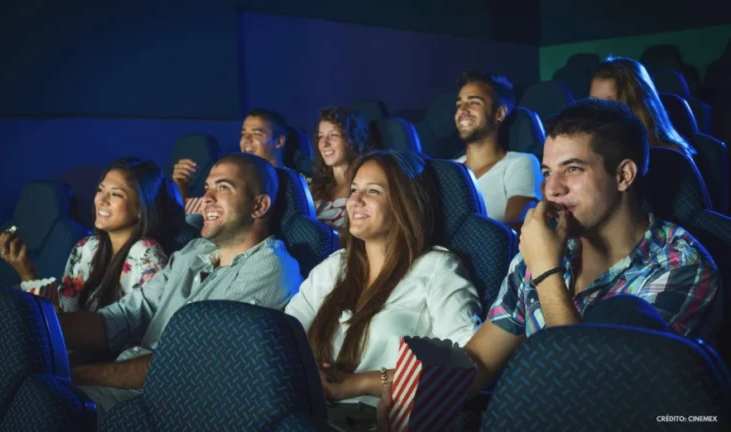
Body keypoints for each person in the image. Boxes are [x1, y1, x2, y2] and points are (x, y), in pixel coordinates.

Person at [377, 98, 719, 430]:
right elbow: (479, 362)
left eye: (573, 169)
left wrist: (547, 271)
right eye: (546, 172)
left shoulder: (681, 268)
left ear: (623, 175)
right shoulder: (546, 248)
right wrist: (416, 399)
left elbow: (590, 398)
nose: (551, 189)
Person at [59, 153, 304, 418]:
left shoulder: (271, 266)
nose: (207, 197)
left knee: (51, 403)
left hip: (176, 404)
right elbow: (120, 318)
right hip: (134, 387)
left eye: (223, 187)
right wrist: (39, 327)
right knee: (35, 387)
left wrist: (75, 374)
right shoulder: (193, 251)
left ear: (259, 206)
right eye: (207, 187)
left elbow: (189, 364)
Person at [286, 150, 481, 431]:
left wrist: (359, 383)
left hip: (383, 421)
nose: (355, 200)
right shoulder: (334, 267)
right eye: (354, 190)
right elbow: (286, 335)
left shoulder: (438, 268)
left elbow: (463, 367)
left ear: (405, 203)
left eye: (373, 191)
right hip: (311, 417)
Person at [0, 158, 170, 312]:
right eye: (101, 190)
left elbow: (138, 328)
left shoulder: (147, 253)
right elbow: (64, 316)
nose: (101, 200)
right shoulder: (85, 248)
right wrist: (26, 272)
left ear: (140, 209)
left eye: (116, 194)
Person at [454, 69, 543, 227]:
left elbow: (515, 229)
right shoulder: (449, 169)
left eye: (474, 103)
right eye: (459, 104)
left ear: (499, 113)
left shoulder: (520, 164)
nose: (462, 110)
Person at [173, 109, 288, 206]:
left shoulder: (295, 185)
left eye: (256, 134)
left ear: (279, 141)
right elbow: (199, 213)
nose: (246, 140)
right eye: (243, 134)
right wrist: (181, 186)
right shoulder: (230, 180)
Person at [589, 56, 696, 159]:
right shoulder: (593, 153)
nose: (598, 111)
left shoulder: (673, 155)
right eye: (594, 102)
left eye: (609, 103)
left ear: (637, 105)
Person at [308, 106, 369, 228]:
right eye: (320, 136)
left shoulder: (368, 184)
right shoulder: (313, 188)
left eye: (333, 135)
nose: (325, 144)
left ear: (352, 139)